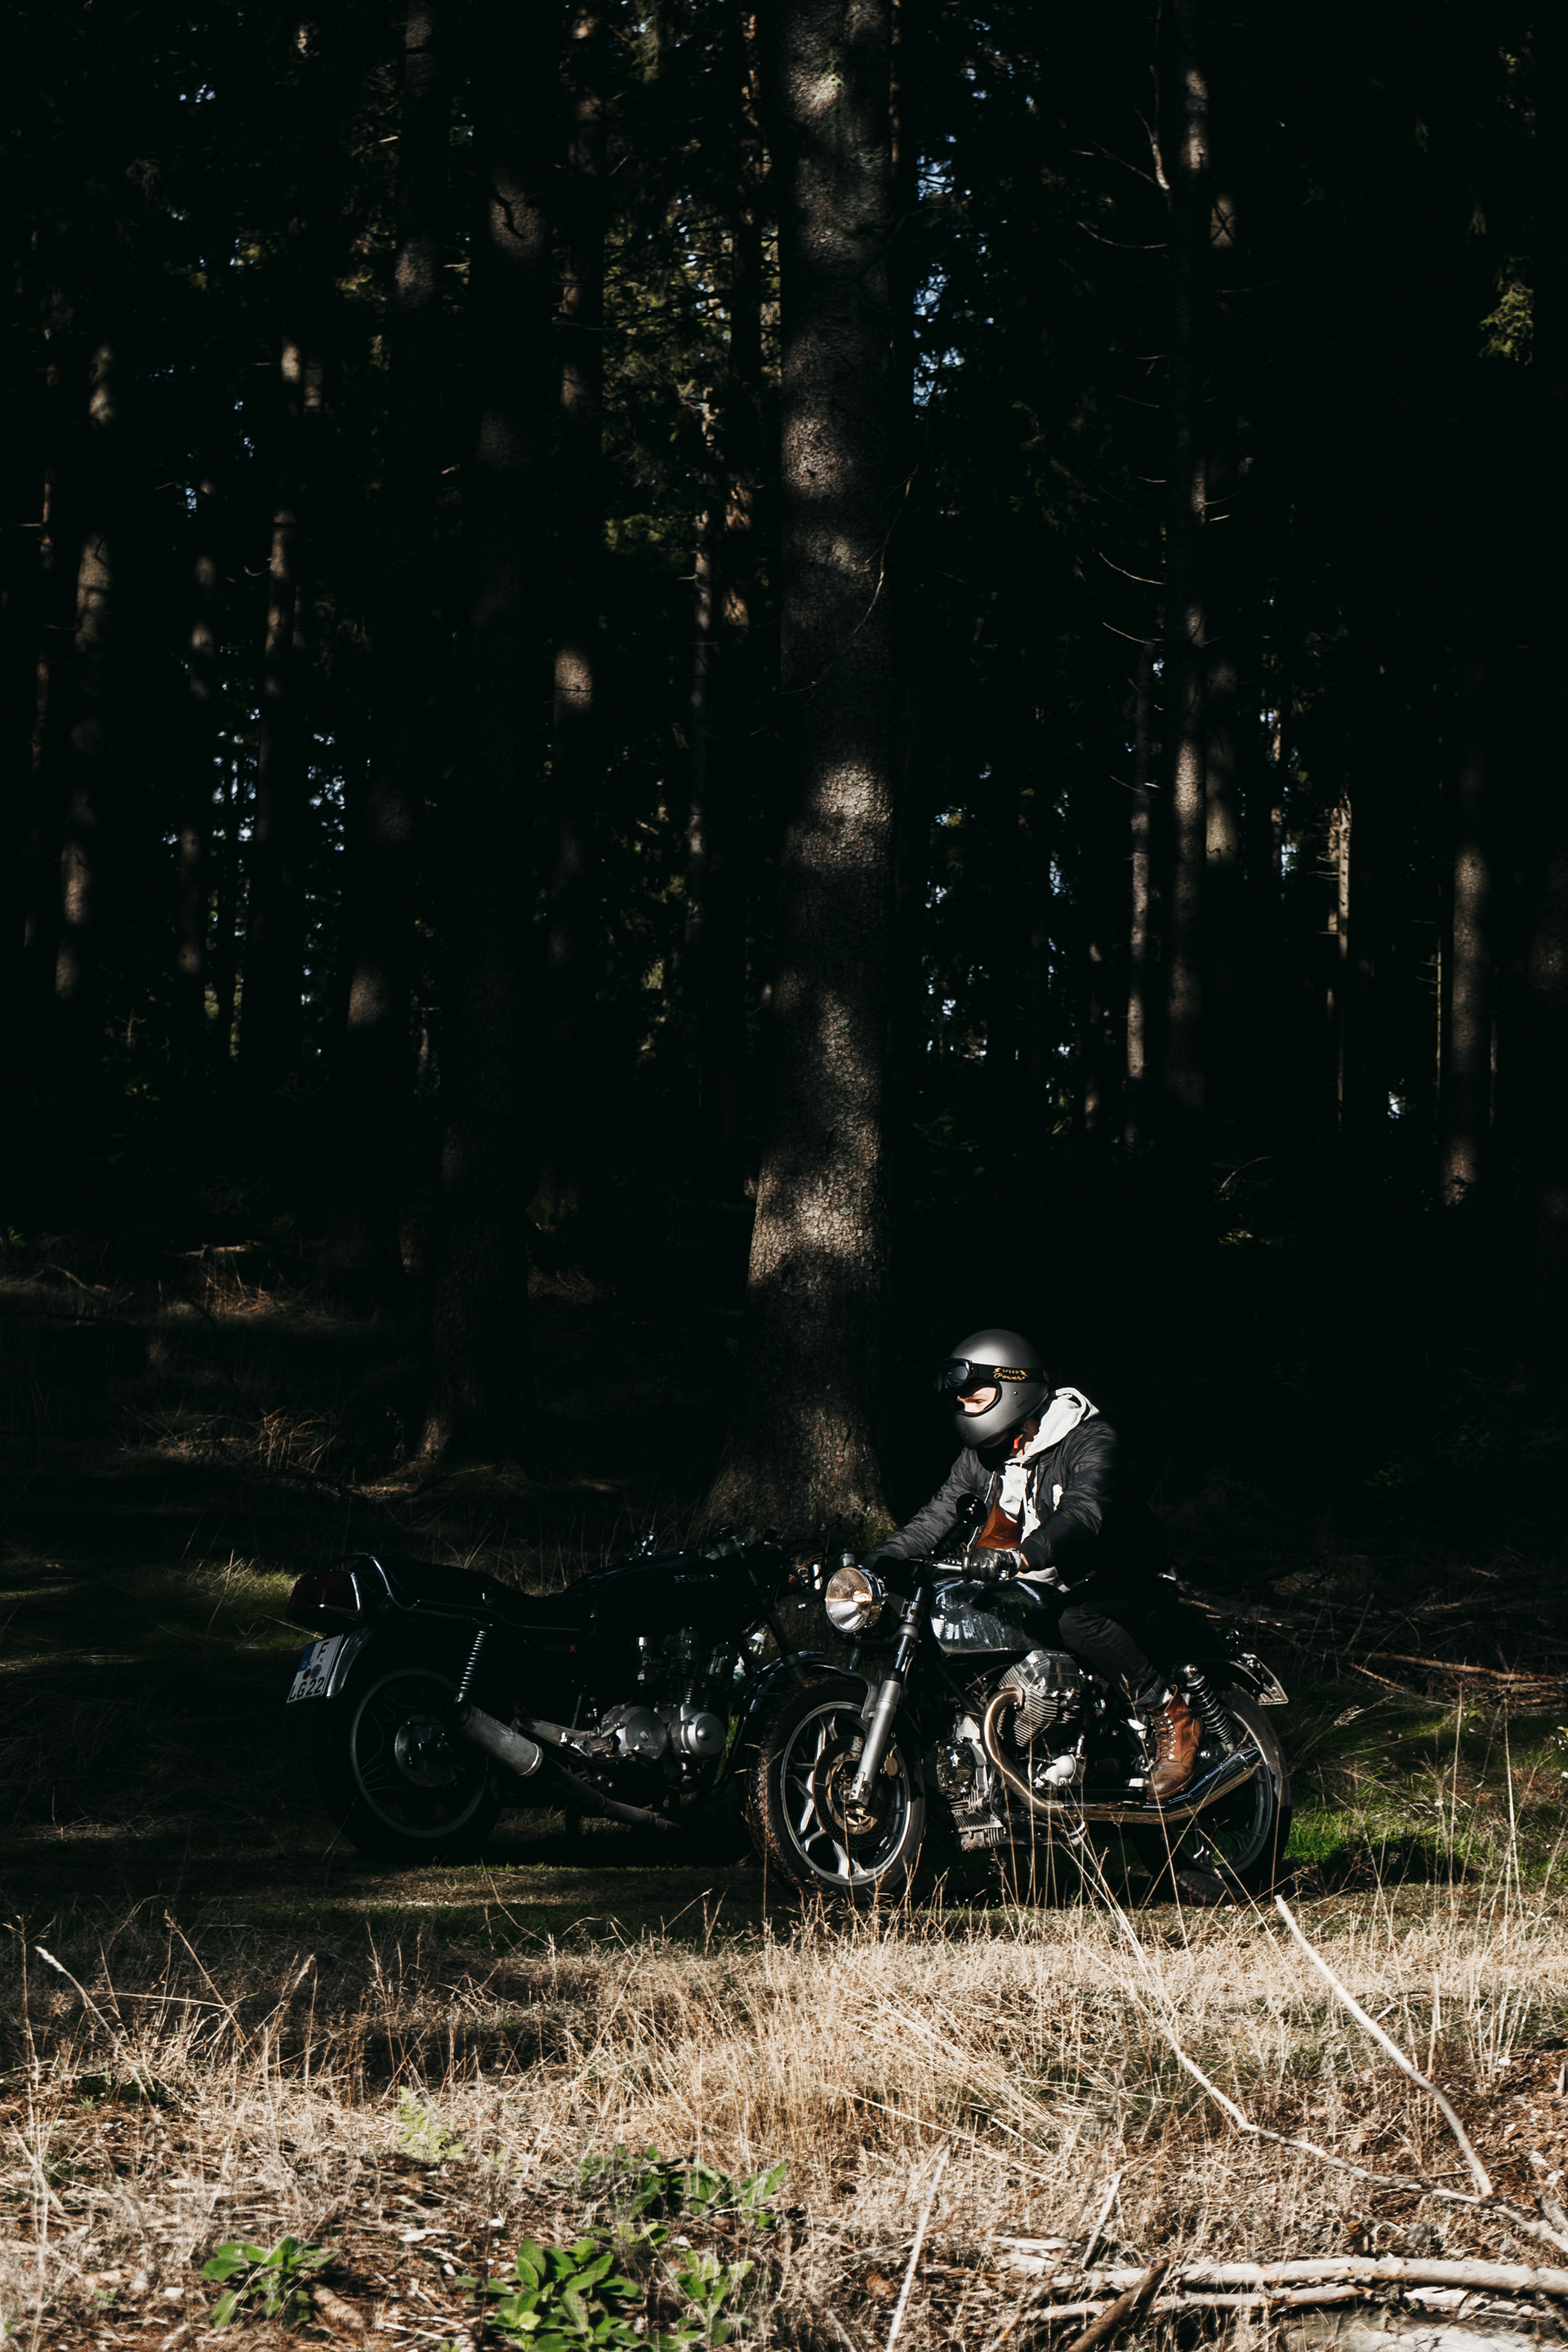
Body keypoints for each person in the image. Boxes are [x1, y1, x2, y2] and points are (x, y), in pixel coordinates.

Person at [863, 1326, 1200, 1802]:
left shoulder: (1088, 1438)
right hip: (1042, 1584)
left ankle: (1167, 1711)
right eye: (960, 1400)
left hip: (1123, 1579)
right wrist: (874, 1565)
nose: (964, 1407)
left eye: (975, 1397)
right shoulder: (982, 1457)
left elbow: (1083, 1514)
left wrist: (1020, 1555)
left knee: (1073, 1620)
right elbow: (934, 1518)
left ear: (1014, 1387)